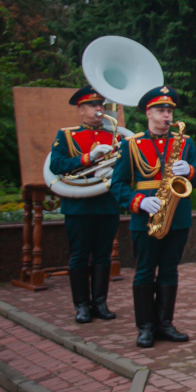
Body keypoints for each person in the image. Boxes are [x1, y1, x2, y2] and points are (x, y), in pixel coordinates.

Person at [110, 86, 196, 348]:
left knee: (170, 270)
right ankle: (145, 327)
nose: (167, 116)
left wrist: (191, 172)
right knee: (144, 271)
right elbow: (117, 185)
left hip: (178, 216)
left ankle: (165, 323)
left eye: (170, 111)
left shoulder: (185, 143)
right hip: (146, 217)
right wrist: (139, 202)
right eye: (161, 110)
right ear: (149, 112)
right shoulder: (131, 144)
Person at [49, 86, 120, 324]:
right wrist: (89, 157)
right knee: (79, 255)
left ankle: (99, 302)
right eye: (92, 105)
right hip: (78, 205)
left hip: (107, 203)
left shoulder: (115, 136)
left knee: (102, 254)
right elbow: (57, 165)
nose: (99, 109)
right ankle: (81, 305)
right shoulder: (67, 135)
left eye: (100, 105)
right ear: (81, 110)